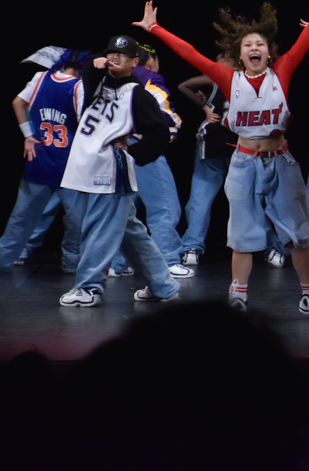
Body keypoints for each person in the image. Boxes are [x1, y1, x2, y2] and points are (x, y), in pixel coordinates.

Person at [134, 0, 309, 319]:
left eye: (260, 44)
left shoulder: (282, 72)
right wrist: (155, 29)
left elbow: (307, 38)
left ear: (269, 53)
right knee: (242, 234)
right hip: (244, 162)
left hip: (281, 161)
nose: (254, 48)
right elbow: (190, 53)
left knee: (298, 235)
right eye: (248, 45)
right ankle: (238, 296)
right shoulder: (229, 78)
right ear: (240, 54)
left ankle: (308, 295)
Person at [58, 36, 179, 307]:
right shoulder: (98, 84)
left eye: (121, 54)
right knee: (130, 234)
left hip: (111, 169)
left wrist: (133, 153)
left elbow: (160, 133)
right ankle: (163, 286)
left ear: (135, 62)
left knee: (98, 229)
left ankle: (89, 288)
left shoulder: (137, 94)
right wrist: (95, 62)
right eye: (111, 52)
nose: (114, 57)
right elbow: (89, 76)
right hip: (88, 167)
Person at [107, 44, 192, 279]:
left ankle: (116, 262)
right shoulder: (149, 78)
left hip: (114, 147)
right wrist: (167, 135)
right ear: (150, 60)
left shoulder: (109, 78)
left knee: (125, 209)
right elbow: (167, 115)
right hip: (142, 145)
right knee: (164, 207)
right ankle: (167, 260)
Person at [0, 50, 87, 275]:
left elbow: (17, 102)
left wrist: (28, 135)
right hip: (69, 165)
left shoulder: (40, 78)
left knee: (21, 218)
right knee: (77, 219)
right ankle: (71, 262)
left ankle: (3, 259)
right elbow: (83, 122)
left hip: (39, 159)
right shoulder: (78, 86)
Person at [174, 56, 239, 266]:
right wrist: (205, 106)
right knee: (251, 198)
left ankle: (191, 247)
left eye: (220, 58)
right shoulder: (252, 78)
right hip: (237, 143)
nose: (216, 62)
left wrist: (205, 107)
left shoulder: (216, 76)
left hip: (216, 141)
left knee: (201, 198)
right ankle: (267, 246)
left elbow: (183, 86)